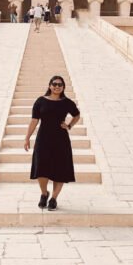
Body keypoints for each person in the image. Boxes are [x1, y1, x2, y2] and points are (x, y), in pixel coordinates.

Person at [24, 75, 80, 211]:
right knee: (41, 168)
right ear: (49, 86)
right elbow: (34, 120)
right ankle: (44, 193)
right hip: (43, 138)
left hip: (61, 140)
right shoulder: (40, 101)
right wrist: (27, 138)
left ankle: (54, 198)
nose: (57, 86)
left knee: (59, 169)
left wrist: (69, 125)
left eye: (60, 85)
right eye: (54, 84)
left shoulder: (66, 102)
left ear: (63, 87)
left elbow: (76, 115)